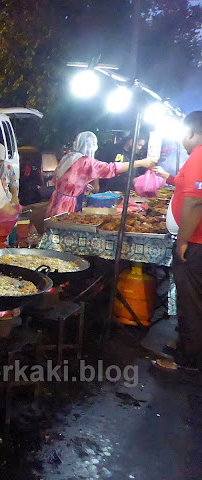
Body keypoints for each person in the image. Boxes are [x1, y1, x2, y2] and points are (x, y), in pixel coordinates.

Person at [152, 111, 202, 372]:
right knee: (193, 299)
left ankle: (188, 360)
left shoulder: (199, 154)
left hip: (195, 243)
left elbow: (195, 201)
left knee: (190, 301)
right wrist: (168, 178)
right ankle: (188, 345)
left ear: (191, 133)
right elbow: (188, 188)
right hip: (196, 241)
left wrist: (182, 241)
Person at [46, 132, 156, 217]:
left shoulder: (69, 157)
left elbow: (59, 178)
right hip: (67, 205)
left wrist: (79, 185)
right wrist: (140, 163)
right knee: (63, 232)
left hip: (56, 201)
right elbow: (110, 168)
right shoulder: (85, 161)